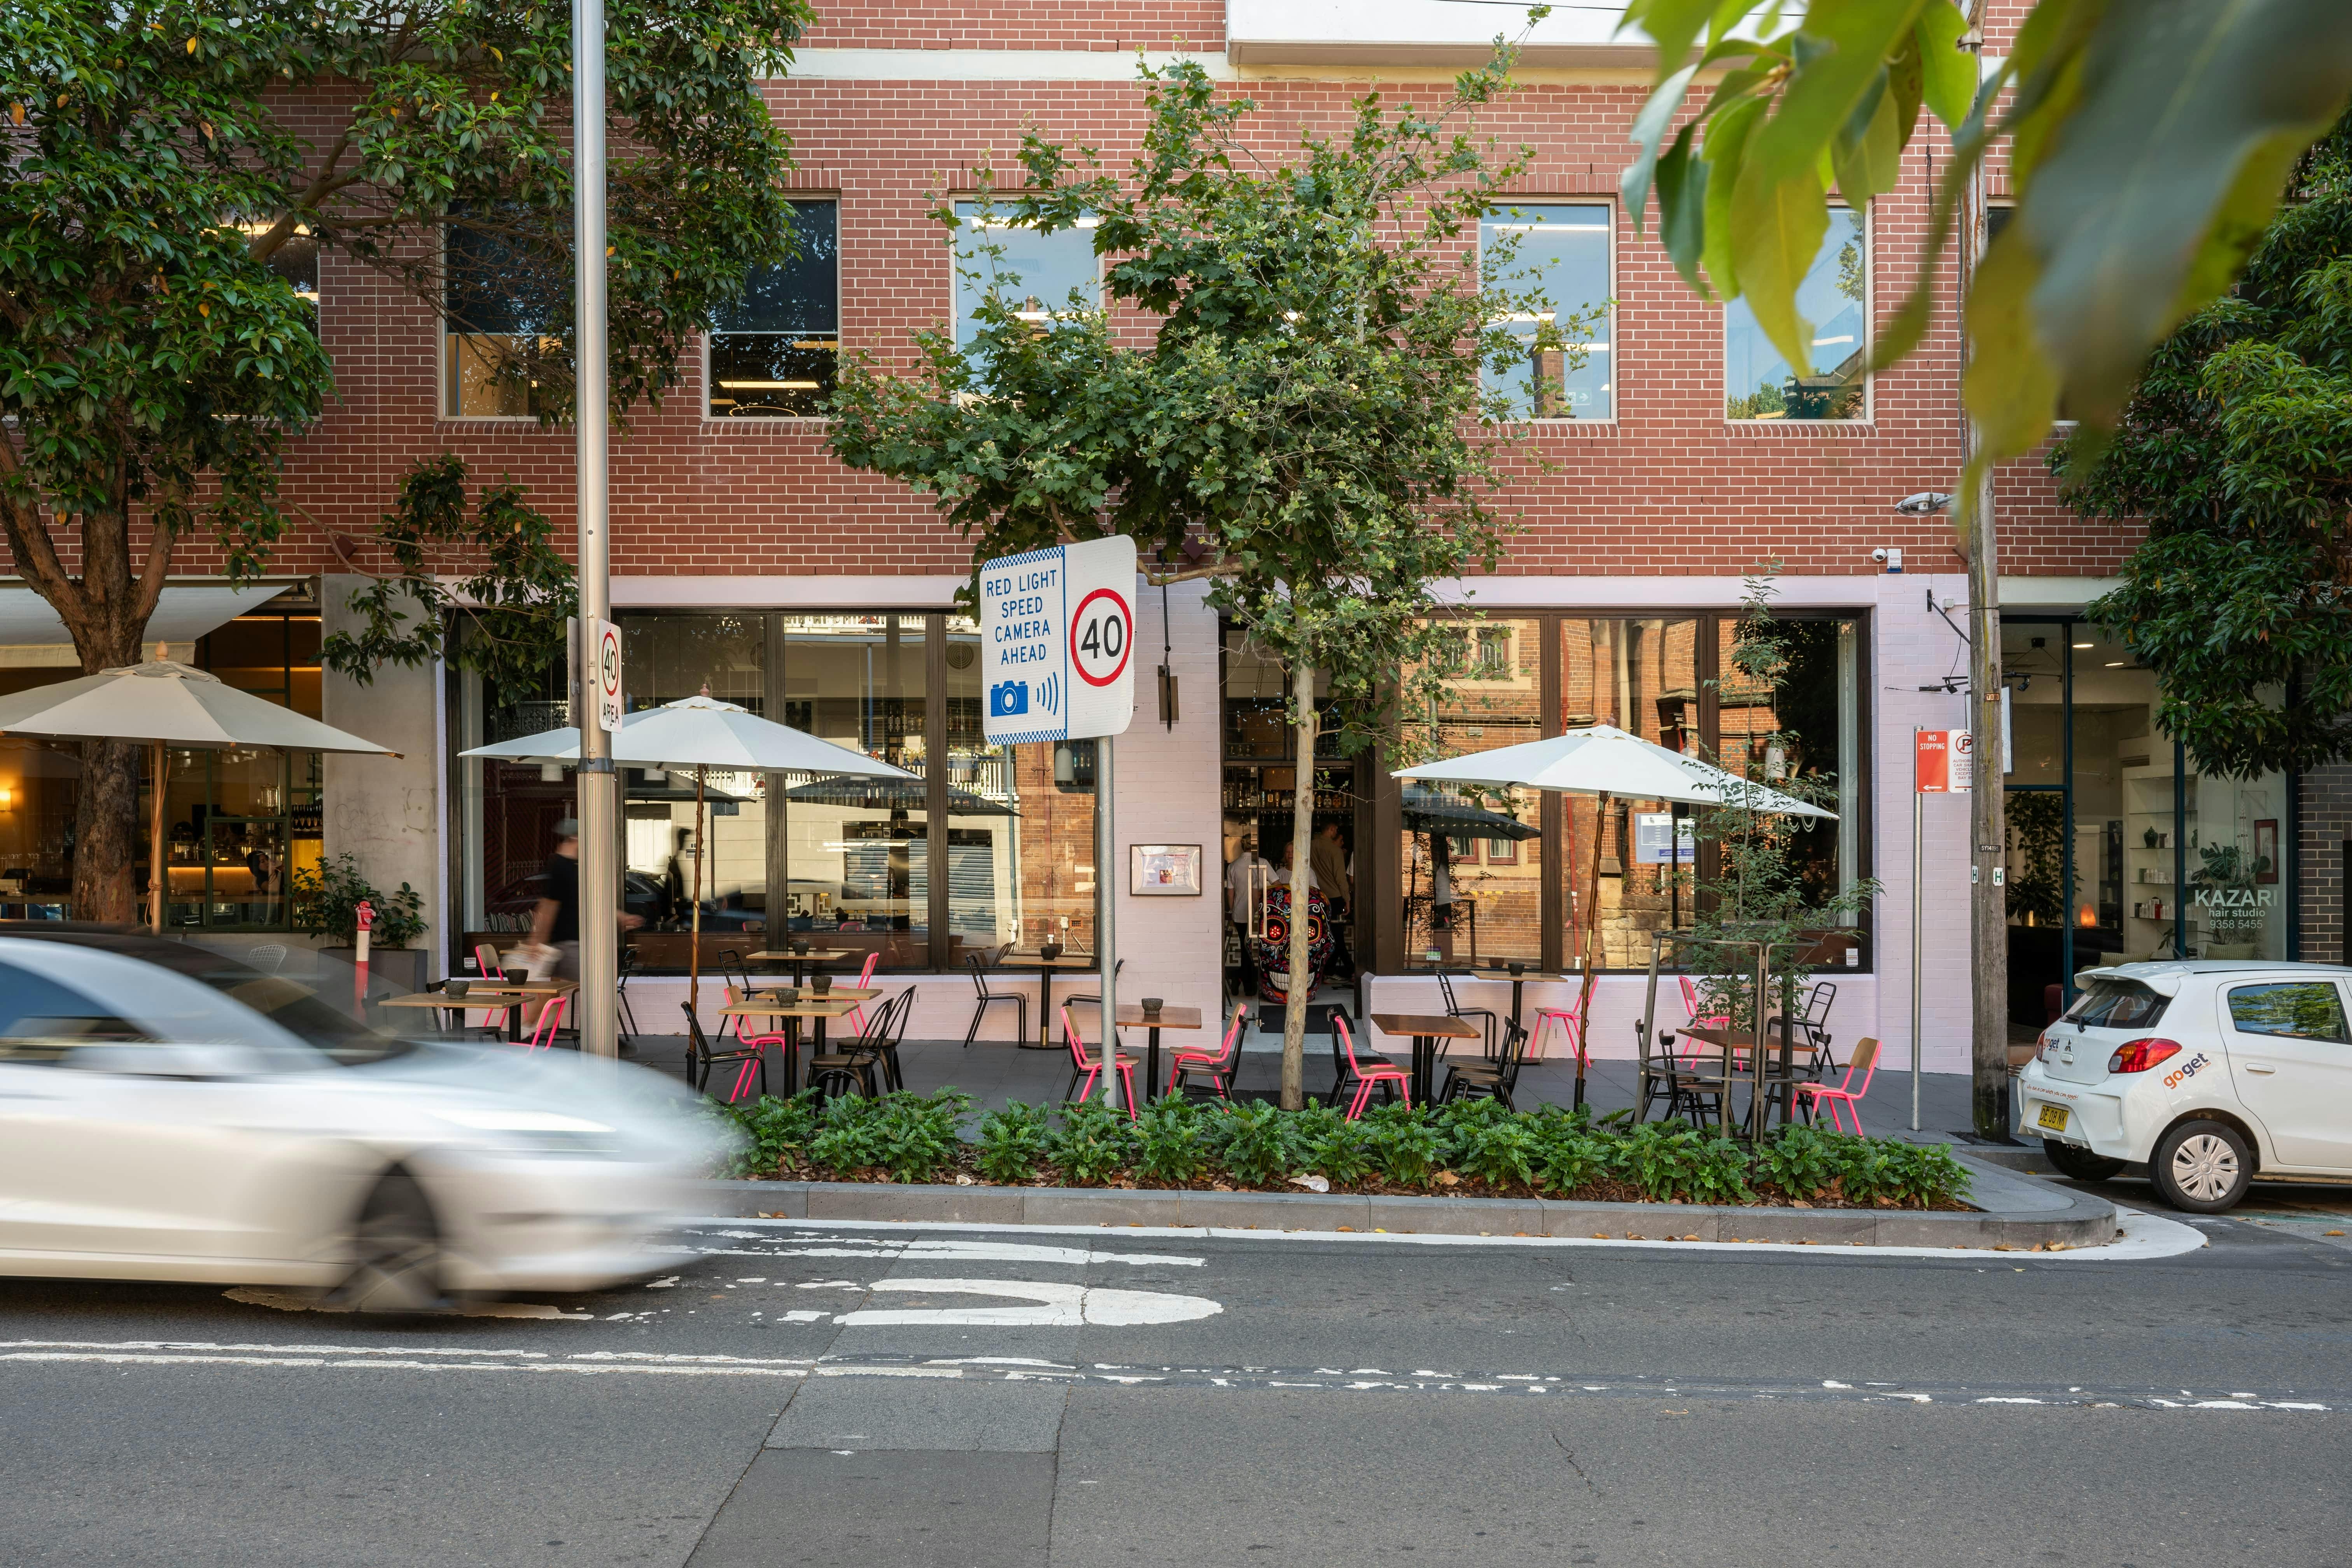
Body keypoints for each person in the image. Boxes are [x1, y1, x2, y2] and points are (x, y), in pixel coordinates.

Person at [525, 818, 644, 1028]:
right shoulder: (561, 866)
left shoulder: (576, 867)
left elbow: (594, 902)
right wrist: (536, 942)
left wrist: (622, 917)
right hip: (566, 944)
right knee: (598, 988)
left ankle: (528, 1032)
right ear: (575, 838)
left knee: (552, 993)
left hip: (569, 942)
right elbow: (548, 907)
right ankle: (599, 1037)